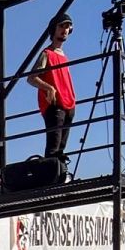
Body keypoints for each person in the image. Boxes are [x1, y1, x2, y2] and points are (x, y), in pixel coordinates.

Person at [27, 13, 76, 162]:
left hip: (69, 104)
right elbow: (31, 78)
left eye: (67, 27)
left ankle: (59, 174)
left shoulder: (64, 56)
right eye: (61, 26)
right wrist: (49, 88)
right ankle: (51, 176)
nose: (65, 30)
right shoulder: (47, 54)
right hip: (55, 105)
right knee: (53, 148)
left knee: (61, 148)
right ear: (53, 29)